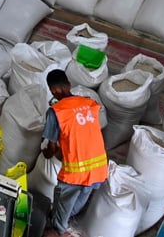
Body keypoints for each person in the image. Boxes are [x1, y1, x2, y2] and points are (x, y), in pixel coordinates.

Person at [42, 69, 108, 237]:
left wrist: (47, 154)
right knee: (79, 199)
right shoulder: (89, 103)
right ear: (69, 85)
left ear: (53, 91)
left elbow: (51, 147)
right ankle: (66, 218)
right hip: (99, 168)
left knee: (60, 212)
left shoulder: (56, 112)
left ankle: (58, 229)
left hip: (75, 173)